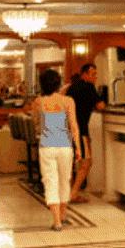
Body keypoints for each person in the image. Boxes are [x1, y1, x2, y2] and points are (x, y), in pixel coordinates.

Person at [31, 69, 82, 231]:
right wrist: (78, 147)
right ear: (58, 83)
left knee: (50, 181)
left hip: (47, 146)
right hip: (65, 146)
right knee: (64, 180)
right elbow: (74, 126)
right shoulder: (68, 101)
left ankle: (57, 221)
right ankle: (63, 214)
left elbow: (35, 122)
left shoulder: (38, 101)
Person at [66, 63, 105, 203]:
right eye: (93, 74)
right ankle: (73, 193)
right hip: (80, 130)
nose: (95, 77)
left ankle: (68, 192)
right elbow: (101, 106)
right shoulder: (88, 87)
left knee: (70, 163)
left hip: (68, 129)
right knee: (86, 162)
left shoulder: (72, 87)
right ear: (84, 74)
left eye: (96, 74)